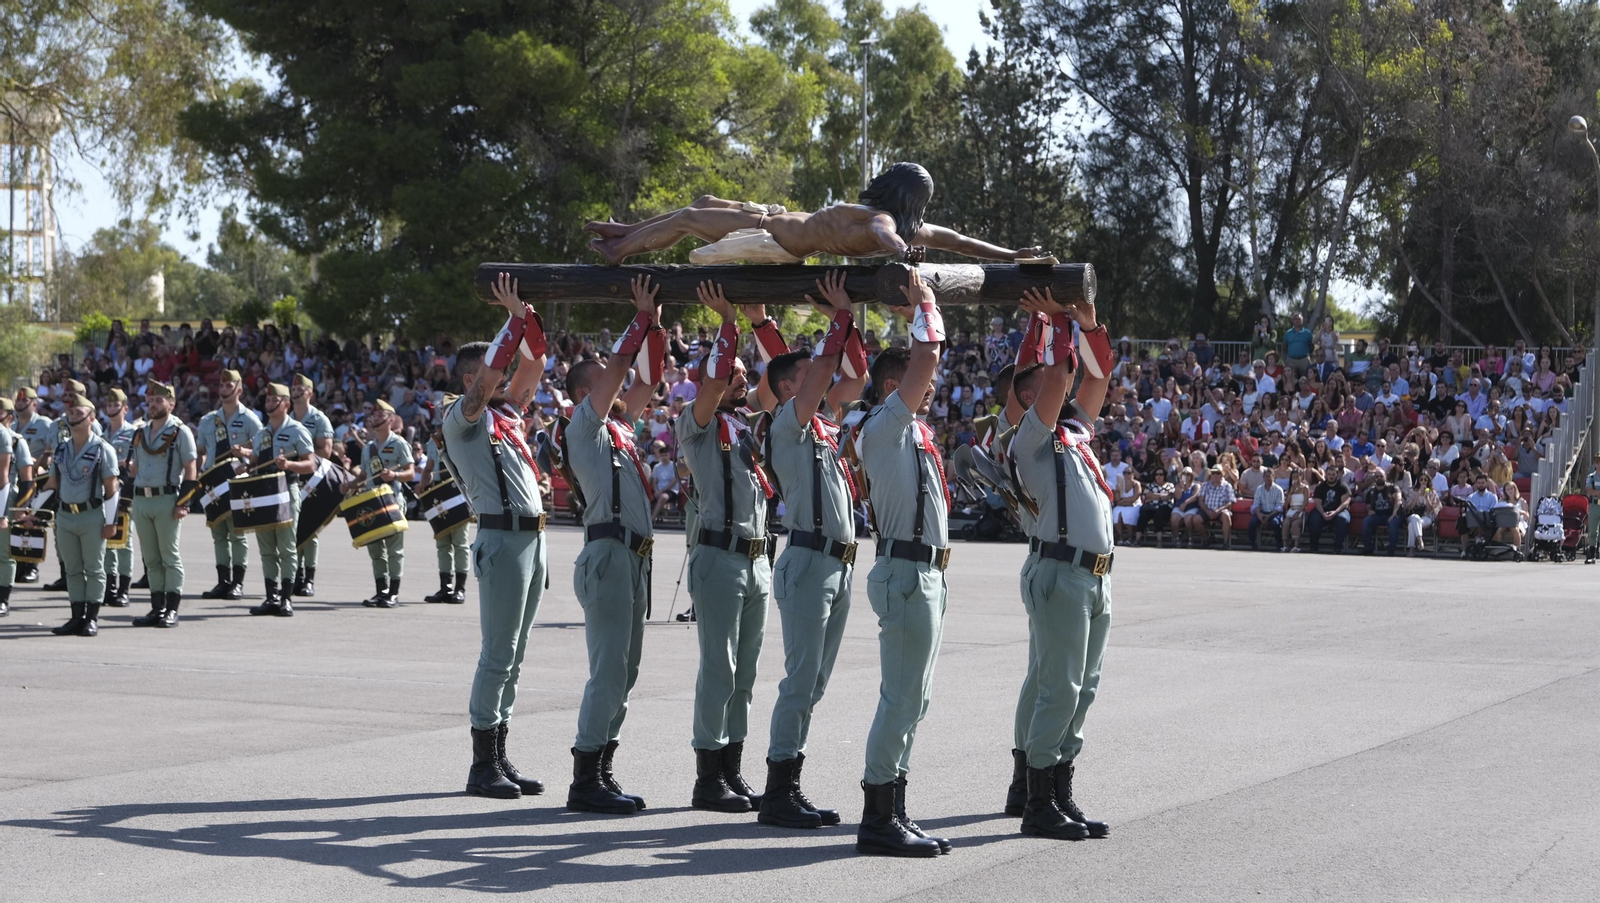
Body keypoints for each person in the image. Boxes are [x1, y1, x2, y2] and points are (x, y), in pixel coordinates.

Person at [1001, 284, 1115, 844]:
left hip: (1092, 575)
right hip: (1061, 572)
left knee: (1081, 687)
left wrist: (1087, 323)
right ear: (1031, 397)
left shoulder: (1074, 433)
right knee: (1060, 688)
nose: (1058, 388)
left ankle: (1056, 789)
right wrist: (1056, 321)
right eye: (1042, 385)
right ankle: (1039, 799)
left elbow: (1097, 376)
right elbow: (1064, 374)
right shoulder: (1029, 440)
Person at [757, 272, 868, 830]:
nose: (820, 381)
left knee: (815, 682)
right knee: (801, 679)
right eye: (804, 377)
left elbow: (857, 375)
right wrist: (840, 317)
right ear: (786, 390)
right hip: (807, 561)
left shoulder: (822, 424)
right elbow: (828, 370)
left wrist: (842, 323)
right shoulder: (787, 423)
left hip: (836, 563)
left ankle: (789, 782)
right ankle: (779, 789)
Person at [853, 267, 953, 858]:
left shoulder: (909, 430)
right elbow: (927, 358)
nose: (931, 385)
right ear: (894, 385)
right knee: (901, 698)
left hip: (925, 573)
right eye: (919, 380)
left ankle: (894, 808)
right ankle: (878, 816)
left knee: (915, 698)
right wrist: (924, 307)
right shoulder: (883, 426)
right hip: (908, 573)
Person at [442, 272, 552, 800]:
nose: (507, 379)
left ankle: (500, 755)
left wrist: (526, 318)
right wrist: (510, 321)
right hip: (502, 539)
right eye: (492, 373)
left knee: (516, 652)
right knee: (498, 653)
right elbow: (497, 372)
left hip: (531, 540)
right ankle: (482, 763)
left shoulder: (506, 415)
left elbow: (536, 363)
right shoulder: (460, 418)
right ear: (471, 378)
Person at [557, 274, 662, 815]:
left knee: (627, 670)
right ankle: (584, 778)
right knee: (609, 670)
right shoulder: (583, 427)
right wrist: (638, 316)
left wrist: (656, 325)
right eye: (602, 383)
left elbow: (647, 378)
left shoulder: (618, 429)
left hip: (632, 559)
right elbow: (622, 366)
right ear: (584, 395)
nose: (616, 387)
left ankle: (601, 768)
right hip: (608, 555)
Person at [673, 279, 778, 815]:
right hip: (718, 555)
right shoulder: (696, 423)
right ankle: (707, 776)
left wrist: (760, 322)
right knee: (720, 666)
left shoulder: (745, 424)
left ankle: (733, 768)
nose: (742, 378)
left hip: (757, 558)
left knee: (746, 673)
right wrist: (728, 325)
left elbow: (784, 382)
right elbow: (714, 380)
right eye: (733, 372)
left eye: (743, 373)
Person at [584, 162, 1042, 264]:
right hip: (773, 217)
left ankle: (621, 250)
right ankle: (628, 231)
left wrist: (902, 253)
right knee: (702, 202)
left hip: (769, 233)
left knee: (688, 217)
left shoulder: (885, 223)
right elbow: (960, 242)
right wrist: (1011, 254)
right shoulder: (910, 225)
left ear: (896, 187)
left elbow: (886, 237)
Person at [40, 395, 120, 637]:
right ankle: (76, 617)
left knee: (94, 568)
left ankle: (92, 618)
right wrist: (33, 511)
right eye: (71, 413)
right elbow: (51, 485)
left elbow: (112, 489)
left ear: (91, 418)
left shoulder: (102, 449)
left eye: (78, 413)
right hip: (65, 516)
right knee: (72, 568)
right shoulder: (61, 449)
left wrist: (111, 522)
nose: (73, 416)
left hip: (91, 515)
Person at [241, 384, 316, 616]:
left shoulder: (297, 430)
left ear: (286, 404)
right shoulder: (262, 433)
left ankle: (286, 598)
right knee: (266, 549)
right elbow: (255, 460)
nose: (270, 403)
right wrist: (246, 463)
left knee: (286, 547)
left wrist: (289, 464)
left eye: (275, 400)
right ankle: (271, 597)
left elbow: (311, 464)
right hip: (263, 493)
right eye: (268, 399)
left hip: (286, 490)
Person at [127, 381, 198, 628]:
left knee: (169, 556)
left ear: (171, 404)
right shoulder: (141, 432)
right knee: (151, 559)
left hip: (166, 499)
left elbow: (191, 469)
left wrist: (183, 503)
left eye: (159, 400)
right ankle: (157, 608)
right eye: (151, 400)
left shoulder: (180, 432)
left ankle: (172, 609)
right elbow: (136, 467)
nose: (153, 405)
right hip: (142, 500)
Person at [196, 370, 263, 602]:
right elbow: (201, 451)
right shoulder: (207, 420)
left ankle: (237, 583)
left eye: (229, 385)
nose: (224, 388)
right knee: (218, 534)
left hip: (237, 482)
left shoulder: (250, 419)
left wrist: (246, 455)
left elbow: (262, 449)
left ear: (239, 390)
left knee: (237, 534)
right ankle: (223, 581)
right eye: (222, 385)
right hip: (214, 482)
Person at [357, 401, 415, 607]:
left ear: (390, 419)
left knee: (394, 549)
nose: (375, 417)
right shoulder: (368, 448)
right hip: (372, 502)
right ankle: (381, 590)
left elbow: (410, 472)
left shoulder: (399, 444)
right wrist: (350, 484)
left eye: (380, 414)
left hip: (392, 502)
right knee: (375, 550)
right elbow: (363, 475)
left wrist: (395, 475)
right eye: (374, 414)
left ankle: (393, 593)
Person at [289, 372, 336, 595]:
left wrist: (299, 456)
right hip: (291, 476)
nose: (295, 392)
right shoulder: (287, 418)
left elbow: (325, 451)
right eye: (293, 389)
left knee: (311, 528)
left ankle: (309, 578)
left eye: (300, 389)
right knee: (292, 527)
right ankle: (295, 574)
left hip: (312, 479)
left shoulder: (319, 419)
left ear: (310, 393)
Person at [419, 417, 470, 605]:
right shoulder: (432, 442)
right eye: (438, 425)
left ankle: (460, 589)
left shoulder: (462, 438)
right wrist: (422, 484)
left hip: (457, 495)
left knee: (460, 544)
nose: (440, 428)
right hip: (440, 497)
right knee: (442, 544)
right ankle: (445, 587)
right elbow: (429, 468)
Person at [100, 389, 139, 608]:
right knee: (106, 539)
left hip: (124, 490)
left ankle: (124, 589)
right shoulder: (100, 434)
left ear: (125, 408)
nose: (112, 408)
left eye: (116, 405)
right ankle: (109, 586)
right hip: (104, 491)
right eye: (109, 405)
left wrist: (131, 465)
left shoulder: (134, 433)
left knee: (125, 540)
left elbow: (140, 462)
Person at [13, 387, 55, 586]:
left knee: (32, 522)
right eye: (19, 401)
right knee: (16, 522)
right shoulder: (12, 424)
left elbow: (51, 451)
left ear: (34, 404)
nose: (20, 404)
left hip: (37, 480)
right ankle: (18, 564)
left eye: (25, 401)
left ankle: (31, 566)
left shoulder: (44, 424)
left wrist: (41, 464)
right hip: (16, 480)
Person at [1305, 464, 1352, 554]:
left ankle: (1338, 548)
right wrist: (1323, 513)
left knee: (1343, 519)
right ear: (1326, 474)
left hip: (1339, 511)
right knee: (1314, 518)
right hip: (1322, 511)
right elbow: (1317, 503)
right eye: (1329, 474)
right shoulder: (1320, 487)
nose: (1331, 476)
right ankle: (1314, 547)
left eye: (1333, 474)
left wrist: (1335, 512)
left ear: (1337, 475)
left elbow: (1345, 503)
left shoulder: (1343, 487)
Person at [1248, 455, 1285, 550]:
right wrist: (1259, 514)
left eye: (1270, 476)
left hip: (1274, 513)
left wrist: (1269, 516)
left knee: (1276, 523)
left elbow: (1280, 506)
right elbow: (1256, 504)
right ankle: (1253, 543)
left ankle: (1279, 544)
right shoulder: (1259, 489)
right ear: (1263, 477)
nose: (1268, 478)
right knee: (1252, 523)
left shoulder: (1278, 490)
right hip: (1262, 512)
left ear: (1274, 477)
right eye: (1266, 476)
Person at [1197, 465, 1237, 549]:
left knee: (1226, 516)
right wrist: (1207, 511)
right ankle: (1206, 539)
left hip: (1221, 510)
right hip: (1207, 510)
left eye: (1218, 473)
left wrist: (1219, 510)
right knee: (1195, 519)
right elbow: (1201, 500)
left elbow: (1231, 501)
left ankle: (1226, 543)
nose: (1215, 475)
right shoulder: (1205, 485)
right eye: (1213, 473)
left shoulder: (1227, 486)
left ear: (1222, 474)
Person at [1360, 478, 1399, 555]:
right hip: (1377, 516)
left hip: (1390, 515)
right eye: (1377, 476)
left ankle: (1391, 549)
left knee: (1393, 523)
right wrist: (1369, 510)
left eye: (1381, 476)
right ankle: (1368, 548)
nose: (1379, 478)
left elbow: (1398, 500)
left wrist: (1394, 513)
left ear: (1385, 477)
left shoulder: (1392, 488)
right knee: (1366, 521)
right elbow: (1368, 505)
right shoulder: (1371, 490)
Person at [1585, 453, 1600, 564]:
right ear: (1595, 464)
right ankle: (1592, 554)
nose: (1599, 464)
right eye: (1597, 462)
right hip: (1595, 505)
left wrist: (1596, 492)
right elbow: (1589, 490)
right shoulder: (1591, 477)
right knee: (1593, 531)